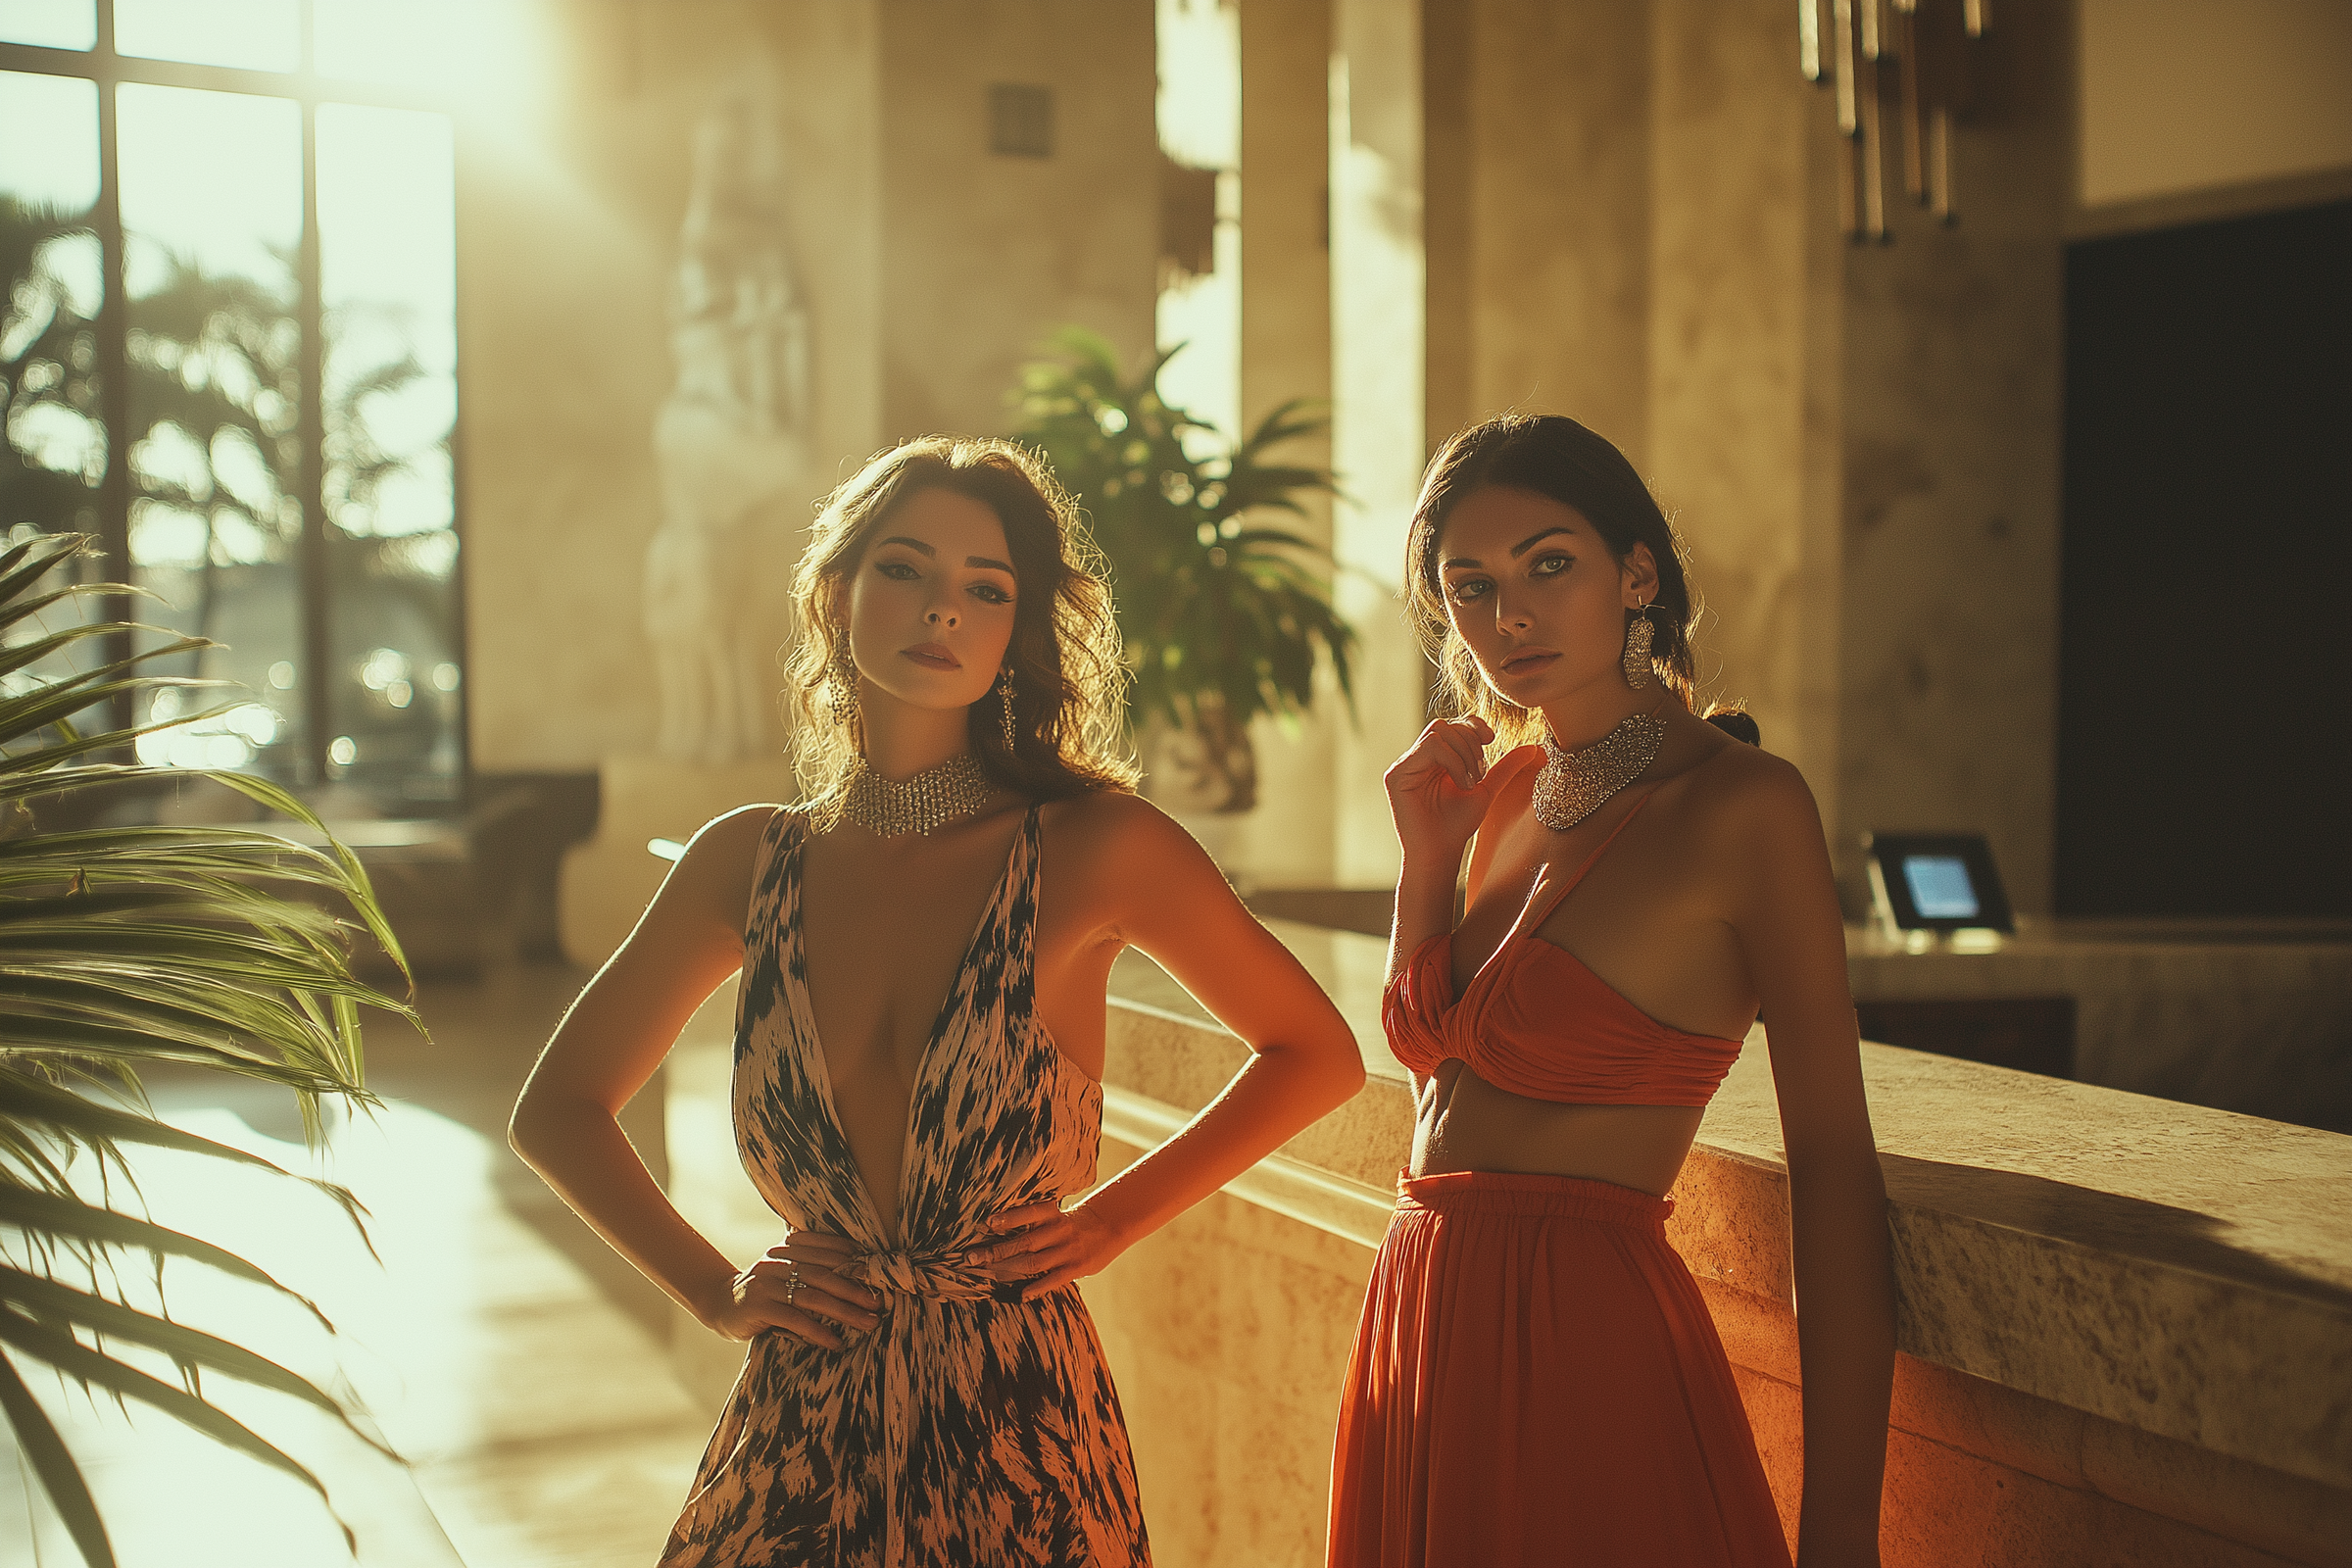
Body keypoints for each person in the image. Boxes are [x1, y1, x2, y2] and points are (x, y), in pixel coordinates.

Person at [511, 436, 1365, 1568]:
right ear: (837, 591)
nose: (944, 610)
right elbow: (557, 1108)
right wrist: (714, 1287)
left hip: (1018, 1429)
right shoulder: (743, 862)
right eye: (906, 569)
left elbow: (1315, 1050)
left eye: (986, 587)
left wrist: (1110, 1220)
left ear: (1018, 629)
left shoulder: (1097, 847)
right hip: (799, 1430)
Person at [1327, 414, 1894, 1568]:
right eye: (1469, 585)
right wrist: (1426, 856)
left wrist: (1842, 1525)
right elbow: (1446, 1065)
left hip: (1581, 1349)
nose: (1509, 616)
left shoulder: (1746, 806)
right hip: (1415, 1332)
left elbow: (1834, 1163)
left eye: (1549, 563)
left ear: (1637, 573)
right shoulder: (1507, 788)